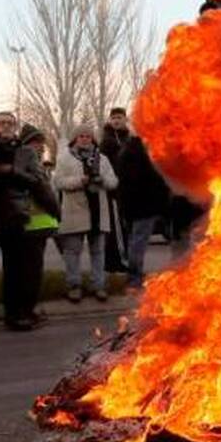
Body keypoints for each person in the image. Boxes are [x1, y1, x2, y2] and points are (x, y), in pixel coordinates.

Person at [0, 112, 50, 334]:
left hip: (14, 218)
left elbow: (37, 181)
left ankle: (15, 315)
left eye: (9, 123)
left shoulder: (26, 153)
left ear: (15, 128)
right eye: (0, 123)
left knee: (14, 269)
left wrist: (12, 171)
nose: (5, 126)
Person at [53, 124, 120, 301]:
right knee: (72, 252)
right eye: (81, 136)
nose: (84, 139)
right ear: (75, 139)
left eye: (88, 136)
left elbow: (114, 182)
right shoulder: (64, 158)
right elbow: (58, 182)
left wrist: (103, 179)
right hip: (75, 211)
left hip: (98, 213)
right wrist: (79, 181)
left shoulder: (102, 159)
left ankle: (98, 285)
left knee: (98, 252)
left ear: (93, 139)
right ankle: (74, 285)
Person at [16, 124, 60, 330]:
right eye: (36, 142)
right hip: (31, 226)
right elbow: (44, 194)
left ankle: (26, 310)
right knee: (30, 272)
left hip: (38, 226)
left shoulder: (32, 163)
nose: (40, 146)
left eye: (41, 142)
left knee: (30, 271)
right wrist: (57, 211)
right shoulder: (26, 163)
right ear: (26, 144)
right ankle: (26, 313)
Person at [116, 135, 171, 291]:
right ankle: (134, 279)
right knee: (138, 243)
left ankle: (133, 276)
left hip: (130, 207)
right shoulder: (145, 154)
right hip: (145, 207)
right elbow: (156, 181)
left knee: (133, 242)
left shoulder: (126, 152)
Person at [99, 107, 131, 274]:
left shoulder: (129, 138)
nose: (116, 121)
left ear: (125, 119)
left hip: (128, 191)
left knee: (125, 227)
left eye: (119, 117)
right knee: (116, 228)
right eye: (114, 118)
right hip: (114, 192)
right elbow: (103, 165)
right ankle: (118, 263)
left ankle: (121, 260)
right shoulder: (108, 140)